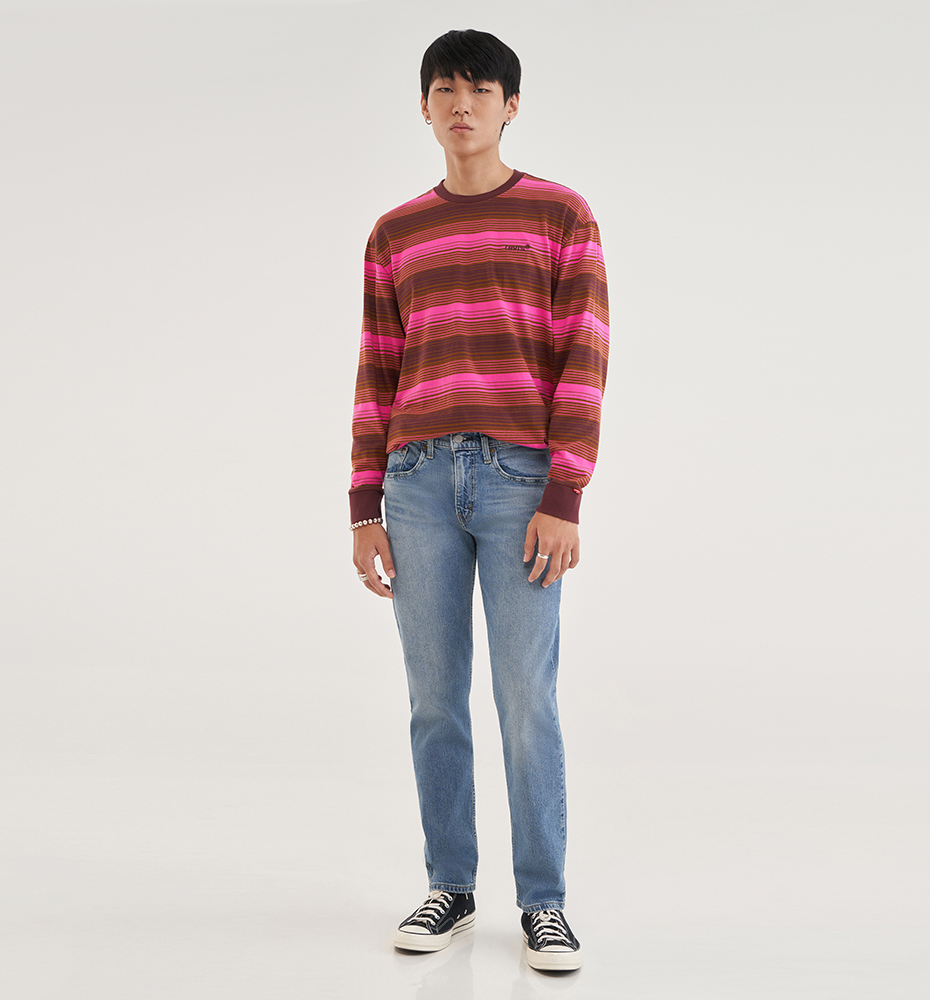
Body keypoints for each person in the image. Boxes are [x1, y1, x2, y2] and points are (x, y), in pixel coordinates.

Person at [349, 28, 608, 972]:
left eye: (481, 89)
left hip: (519, 484)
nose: (463, 104)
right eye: (445, 89)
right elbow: (378, 370)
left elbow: (585, 356)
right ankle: (450, 886)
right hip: (416, 483)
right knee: (433, 698)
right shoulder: (394, 233)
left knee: (525, 696)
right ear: (424, 107)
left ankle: (544, 901)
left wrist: (564, 494)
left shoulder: (561, 215)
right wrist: (364, 506)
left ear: (510, 105)